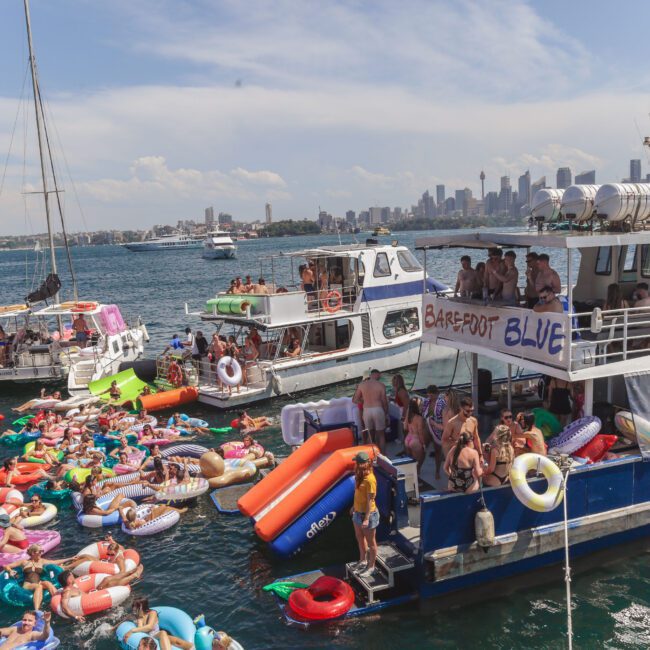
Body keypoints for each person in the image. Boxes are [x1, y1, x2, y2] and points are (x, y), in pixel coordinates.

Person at [122, 598, 193, 650]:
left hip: (155, 634)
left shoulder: (153, 613)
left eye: (135, 607)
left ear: (141, 607)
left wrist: (131, 631)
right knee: (163, 633)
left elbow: (149, 627)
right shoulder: (139, 617)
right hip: (148, 637)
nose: (133, 608)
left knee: (177, 642)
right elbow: (141, 629)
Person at [350, 451, 379, 578]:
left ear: (365, 464)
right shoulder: (359, 474)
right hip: (357, 512)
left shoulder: (370, 480)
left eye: (358, 462)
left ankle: (371, 566)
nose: (356, 464)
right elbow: (357, 493)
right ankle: (363, 560)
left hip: (368, 515)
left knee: (371, 542)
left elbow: (370, 501)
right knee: (359, 537)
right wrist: (353, 507)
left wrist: (366, 519)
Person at [4, 545, 58, 610]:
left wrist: (70, 558)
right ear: (33, 553)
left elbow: (55, 562)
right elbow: (6, 566)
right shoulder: (24, 562)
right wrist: (10, 571)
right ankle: (37, 610)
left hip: (39, 582)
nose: (42, 553)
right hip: (28, 584)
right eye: (40, 551)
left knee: (47, 583)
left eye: (42, 551)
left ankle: (57, 601)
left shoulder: (41, 561)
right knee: (38, 586)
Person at [353, 369, 389, 453]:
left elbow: (355, 399)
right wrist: (386, 413)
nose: (380, 377)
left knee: (370, 434)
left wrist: (364, 402)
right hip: (378, 409)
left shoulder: (362, 385)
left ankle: (372, 455)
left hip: (367, 410)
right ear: (375, 374)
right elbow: (384, 401)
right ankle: (383, 455)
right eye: (379, 375)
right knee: (381, 434)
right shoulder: (381, 385)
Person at [441, 396, 483, 465]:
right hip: (458, 457)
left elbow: (476, 438)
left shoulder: (473, 421)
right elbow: (444, 440)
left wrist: (480, 455)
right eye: (467, 411)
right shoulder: (452, 423)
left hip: (471, 455)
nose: (470, 413)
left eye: (472, 411)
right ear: (460, 408)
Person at [404, 398, 427, 474]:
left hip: (408, 439)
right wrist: (423, 444)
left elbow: (405, 427)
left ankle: (411, 475)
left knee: (410, 460)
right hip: (415, 440)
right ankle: (416, 476)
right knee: (419, 459)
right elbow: (420, 432)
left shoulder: (408, 415)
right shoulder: (419, 418)